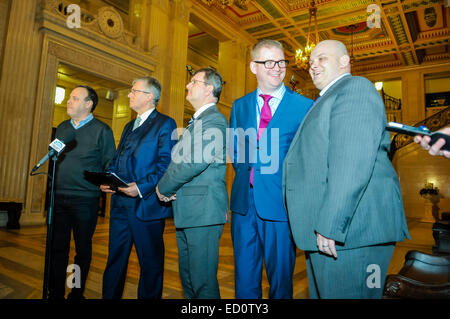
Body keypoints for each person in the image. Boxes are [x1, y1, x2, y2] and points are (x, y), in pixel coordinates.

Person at [283, 40, 410, 299]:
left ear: (344, 61)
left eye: (321, 58)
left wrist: (330, 224)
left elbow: (350, 163)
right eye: (311, 61)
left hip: (350, 236)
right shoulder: (327, 98)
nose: (312, 65)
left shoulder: (355, 88)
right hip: (337, 237)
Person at [228, 39, 313, 299]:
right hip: (243, 204)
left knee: (280, 280)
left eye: (281, 62)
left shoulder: (304, 106)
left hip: (281, 206)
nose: (277, 68)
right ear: (253, 67)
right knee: (244, 278)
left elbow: (308, 159)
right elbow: (235, 153)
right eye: (268, 62)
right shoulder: (239, 106)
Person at [101, 77, 177, 299]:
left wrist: (141, 187)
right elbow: (119, 158)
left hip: (146, 205)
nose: (129, 94)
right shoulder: (128, 125)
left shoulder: (165, 123)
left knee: (150, 264)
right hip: (120, 204)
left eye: (134, 91)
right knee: (115, 258)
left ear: (149, 96)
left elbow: (166, 163)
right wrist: (109, 179)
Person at [156, 68, 228, 299]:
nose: (187, 86)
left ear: (209, 89)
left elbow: (194, 163)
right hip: (190, 210)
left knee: (202, 283)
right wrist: (171, 187)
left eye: (193, 81)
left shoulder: (214, 120)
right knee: (189, 278)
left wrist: (163, 188)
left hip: (203, 212)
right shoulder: (198, 121)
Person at [49, 85, 116, 300]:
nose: (69, 101)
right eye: (69, 98)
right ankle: (56, 292)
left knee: (81, 251)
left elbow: (109, 163)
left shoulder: (102, 130)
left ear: (89, 104)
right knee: (57, 249)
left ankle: (75, 292)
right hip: (58, 198)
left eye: (75, 98)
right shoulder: (62, 128)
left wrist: (108, 182)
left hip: (85, 201)